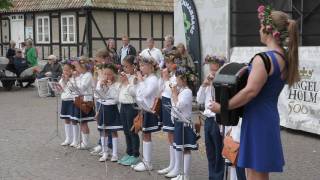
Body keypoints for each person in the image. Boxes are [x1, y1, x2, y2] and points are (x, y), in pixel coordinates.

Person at [210, 5, 300, 180]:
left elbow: (250, 92)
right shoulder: (283, 58)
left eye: (260, 26)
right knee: (257, 174)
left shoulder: (263, 59)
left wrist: (223, 107)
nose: (258, 30)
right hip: (267, 117)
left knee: (255, 174)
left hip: (257, 120)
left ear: (268, 30)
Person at [170, 66, 198, 180]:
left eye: (177, 78)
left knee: (186, 148)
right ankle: (180, 173)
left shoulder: (187, 91)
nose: (175, 80)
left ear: (184, 79)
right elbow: (173, 105)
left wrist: (174, 94)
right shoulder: (181, 90)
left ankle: (185, 175)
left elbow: (179, 106)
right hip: (178, 121)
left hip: (184, 123)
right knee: (178, 147)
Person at [133, 56, 161, 172]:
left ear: (150, 67)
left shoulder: (153, 79)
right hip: (143, 108)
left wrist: (140, 81)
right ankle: (145, 160)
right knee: (144, 134)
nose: (140, 68)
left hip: (150, 109)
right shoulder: (146, 78)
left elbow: (145, 93)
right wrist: (137, 83)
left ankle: (148, 162)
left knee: (146, 134)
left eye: (142, 66)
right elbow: (137, 93)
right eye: (140, 65)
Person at [95, 63, 122, 162]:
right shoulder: (100, 82)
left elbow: (116, 98)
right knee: (103, 130)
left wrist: (110, 87)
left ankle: (114, 154)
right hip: (103, 107)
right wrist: (101, 87)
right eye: (105, 74)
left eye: (109, 74)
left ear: (114, 75)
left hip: (112, 108)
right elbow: (97, 96)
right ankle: (105, 152)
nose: (107, 76)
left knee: (113, 131)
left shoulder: (117, 84)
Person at [118, 55, 140, 166]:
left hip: (132, 106)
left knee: (132, 131)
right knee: (126, 131)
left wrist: (126, 82)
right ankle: (129, 152)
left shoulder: (136, 78)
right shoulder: (125, 76)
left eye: (126, 67)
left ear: (133, 66)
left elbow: (134, 93)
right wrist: (121, 83)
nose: (124, 69)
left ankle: (135, 154)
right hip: (123, 105)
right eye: (123, 67)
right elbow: (120, 91)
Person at [157, 55, 177, 176]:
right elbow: (160, 90)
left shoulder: (177, 76)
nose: (167, 65)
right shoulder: (169, 76)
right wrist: (163, 79)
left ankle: (176, 166)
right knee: (169, 135)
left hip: (171, 104)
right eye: (167, 63)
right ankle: (172, 164)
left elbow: (172, 91)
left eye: (169, 63)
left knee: (173, 135)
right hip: (165, 102)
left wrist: (165, 79)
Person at [69, 57, 96, 149]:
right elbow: (71, 87)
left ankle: (85, 143)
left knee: (83, 122)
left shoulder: (88, 75)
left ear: (83, 67)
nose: (76, 69)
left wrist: (74, 80)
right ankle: (82, 141)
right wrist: (73, 79)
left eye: (77, 67)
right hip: (78, 99)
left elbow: (82, 88)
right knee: (80, 121)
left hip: (85, 100)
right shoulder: (81, 75)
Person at [59, 63, 76, 146]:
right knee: (66, 119)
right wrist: (63, 80)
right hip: (64, 99)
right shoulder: (63, 78)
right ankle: (68, 138)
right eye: (64, 70)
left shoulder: (74, 78)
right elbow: (60, 88)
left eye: (67, 70)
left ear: (71, 70)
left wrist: (68, 80)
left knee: (73, 119)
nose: (65, 71)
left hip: (72, 100)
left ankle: (75, 139)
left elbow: (73, 88)